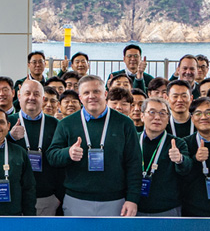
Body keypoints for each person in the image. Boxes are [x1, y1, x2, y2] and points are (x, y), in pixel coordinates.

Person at [46, 75, 142, 217]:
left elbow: (134, 163)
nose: (92, 96)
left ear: (105, 94)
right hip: (76, 200)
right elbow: (52, 156)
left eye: (96, 91)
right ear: (80, 97)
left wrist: (132, 199)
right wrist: (68, 153)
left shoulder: (125, 123)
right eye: (86, 93)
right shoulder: (67, 123)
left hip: (115, 201)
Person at [7, 80, 63, 216]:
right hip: (14, 198)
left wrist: (58, 196)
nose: (31, 97)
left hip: (47, 198)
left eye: (36, 94)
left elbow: (62, 164)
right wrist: (10, 137)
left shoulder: (55, 124)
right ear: (19, 96)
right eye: (27, 93)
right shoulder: (6, 122)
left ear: (43, 99)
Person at [135, 97, 192, 216]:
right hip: (135, 207)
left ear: (168, 119)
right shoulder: (132, 140)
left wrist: (179, 160)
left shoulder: (177, 143)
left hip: (167, 209)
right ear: (142, 116)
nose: (157, 117)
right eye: (152, 112)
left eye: (162, 113)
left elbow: (187, 168)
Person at [182, 97, 210, 217]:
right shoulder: (184, 144)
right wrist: (195, 160)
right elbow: (181, 177)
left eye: (208, 112)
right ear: (192, 118)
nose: (203, 117)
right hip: (193, 211)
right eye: (198, 113)